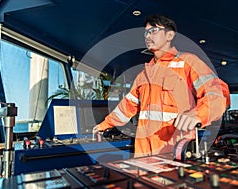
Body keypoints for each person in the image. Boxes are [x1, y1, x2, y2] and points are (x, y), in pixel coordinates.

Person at [93, 14, 230, 157]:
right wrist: (104, 125)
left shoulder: (188, 62)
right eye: (146, 32)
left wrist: (197, 114)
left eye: (153, 31)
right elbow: (127, 106)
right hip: (144, 153)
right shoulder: (144, 75)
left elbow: (218, 92)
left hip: (174, 152)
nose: (147, 36)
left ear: (169, 35)